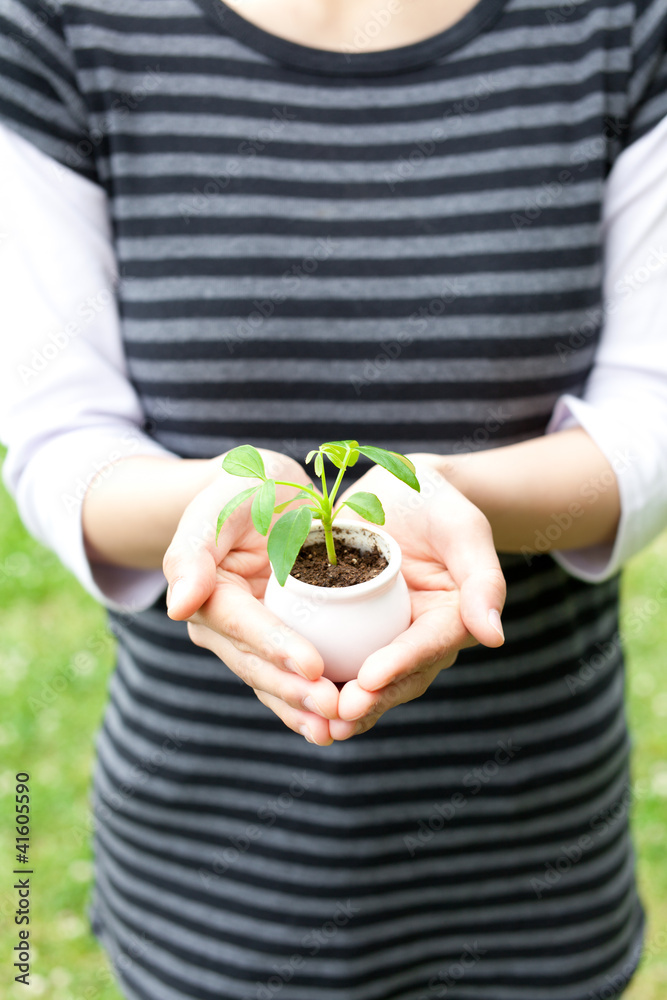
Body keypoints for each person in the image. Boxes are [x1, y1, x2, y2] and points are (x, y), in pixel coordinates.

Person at [1, 0, 667, 997]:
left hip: (529, 874)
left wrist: (456, 498)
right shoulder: (63, 23)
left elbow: (649, 413)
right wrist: (220, 509)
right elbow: (62, 437)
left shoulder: (616, 23)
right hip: (213, 882)